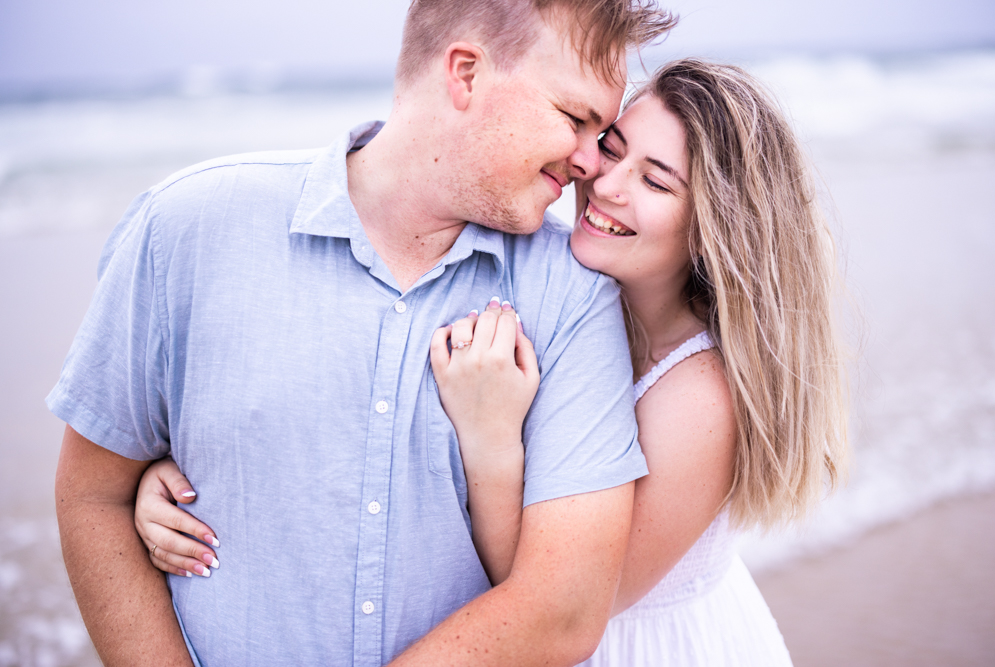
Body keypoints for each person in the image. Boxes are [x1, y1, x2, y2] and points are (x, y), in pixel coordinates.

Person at [139, 58, 849, 665]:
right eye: (612, 145)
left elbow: (561, 603)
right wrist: (189, 480)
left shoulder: (701, 395)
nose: (604, 184)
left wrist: (490, 438)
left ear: (715, 227)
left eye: (656, 181)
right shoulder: (581, 296)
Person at [47, 1, 677, 665]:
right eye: (575, 118)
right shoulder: (189, 226)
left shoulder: (574, 291)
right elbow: (94, 494)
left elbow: (564, 611)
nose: (589, 163)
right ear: (465, 75)